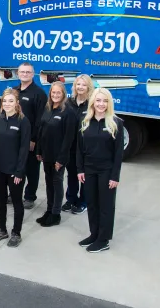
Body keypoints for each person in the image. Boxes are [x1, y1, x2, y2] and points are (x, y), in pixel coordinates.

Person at [77, 88, 125, 253]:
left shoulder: (115, 123)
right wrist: (80, 169)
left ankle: (103, 239)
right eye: (98, 100)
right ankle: (94, 234)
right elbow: (79, 148)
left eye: (105, 101)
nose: (101, 104)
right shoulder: (85, 121)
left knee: (105, 206)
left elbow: (119, 153)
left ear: (109, 103)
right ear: (92, 102)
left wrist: (115, 176)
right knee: (91, 203)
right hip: (89, 170)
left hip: (106, 171)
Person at [0, 88, 30, 247]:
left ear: (17, 103)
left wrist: (19, 171)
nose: (7, 104)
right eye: (4, 101)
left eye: (11, 101)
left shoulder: (23, 121)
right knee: (1, 199)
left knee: (17, 202)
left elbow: (24, 149)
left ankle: (16, 232)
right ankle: (2, 229)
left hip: (14, 171)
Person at [35, 81, 77, 227]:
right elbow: (41, 131)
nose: (55, 95)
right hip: (46, 154)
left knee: (56, 183)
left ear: (63, 94)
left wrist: (61, 158)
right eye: (53, 93)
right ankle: (49, 210)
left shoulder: (68, 112)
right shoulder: (47, 108)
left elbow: (68, 138)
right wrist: (39, 150)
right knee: (48, 183)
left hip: (58, 156)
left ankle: (56, 213)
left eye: (58, 93)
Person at [13, 62, 47, 209]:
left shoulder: (39, 94)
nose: (25, 74)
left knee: (31, 169)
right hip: (13, 138)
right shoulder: (14, 92)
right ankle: (14, 193)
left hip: (31, 140)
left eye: (28, 72)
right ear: (18, 73)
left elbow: (41, 119)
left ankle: (30, 196)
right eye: (22, 72)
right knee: (15, 167)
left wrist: (34, 139)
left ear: (33, 74)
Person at [64, 74, 94, 215]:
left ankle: (83, 201)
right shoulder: (69, 102)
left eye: (83, 85)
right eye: (78, 84)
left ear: (88, 87)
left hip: (86, 147)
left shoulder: (92, 104)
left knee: (85, 175)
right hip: (71, 146)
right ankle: (71, 199)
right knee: (72, 174)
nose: (80, 87)